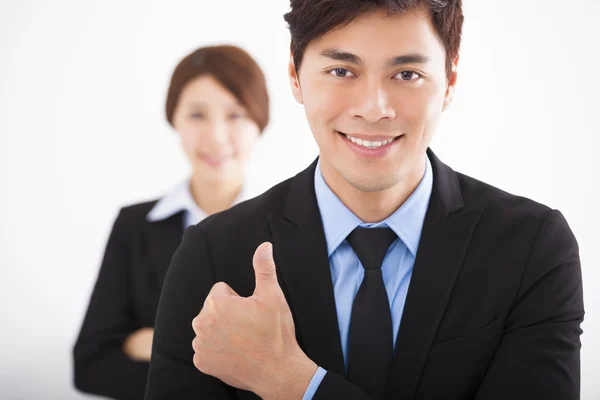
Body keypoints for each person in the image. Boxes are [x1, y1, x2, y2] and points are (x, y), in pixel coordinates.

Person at [145, 1, 584, 399]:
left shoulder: (531, 249)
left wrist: (291, 382)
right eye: (342, 71)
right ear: (295, 77)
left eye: (407, 74)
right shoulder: (213, 256)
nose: (374, 109)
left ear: (448, 83)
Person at [73, 45, 270, 400]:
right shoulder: (135, 225)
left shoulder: (291, 226)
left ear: (260, 121)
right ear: (173, 119)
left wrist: (156, 343)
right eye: (196, 115)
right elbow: (91, 365)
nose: (216, 135)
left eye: (236, 115)